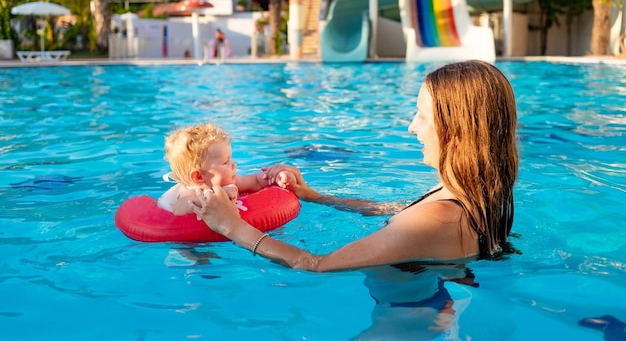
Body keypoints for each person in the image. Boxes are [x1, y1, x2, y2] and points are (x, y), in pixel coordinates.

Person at [189, 60, 519, 271]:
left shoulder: (439, 218)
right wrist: (314, 196)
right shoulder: (467, 194)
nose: (411, 126)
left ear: (455, 131)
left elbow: (315, 264)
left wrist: (231, 227)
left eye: (421, 115)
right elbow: (392, 209)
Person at [157, 122, 296, 216]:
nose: (233, 165)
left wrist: (276, 176)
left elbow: (256, 182)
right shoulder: (187, 192)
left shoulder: (231, 181)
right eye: (225, 162)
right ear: (199, 177)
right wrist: (220, 195)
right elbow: (179, 210)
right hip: (183, 236)